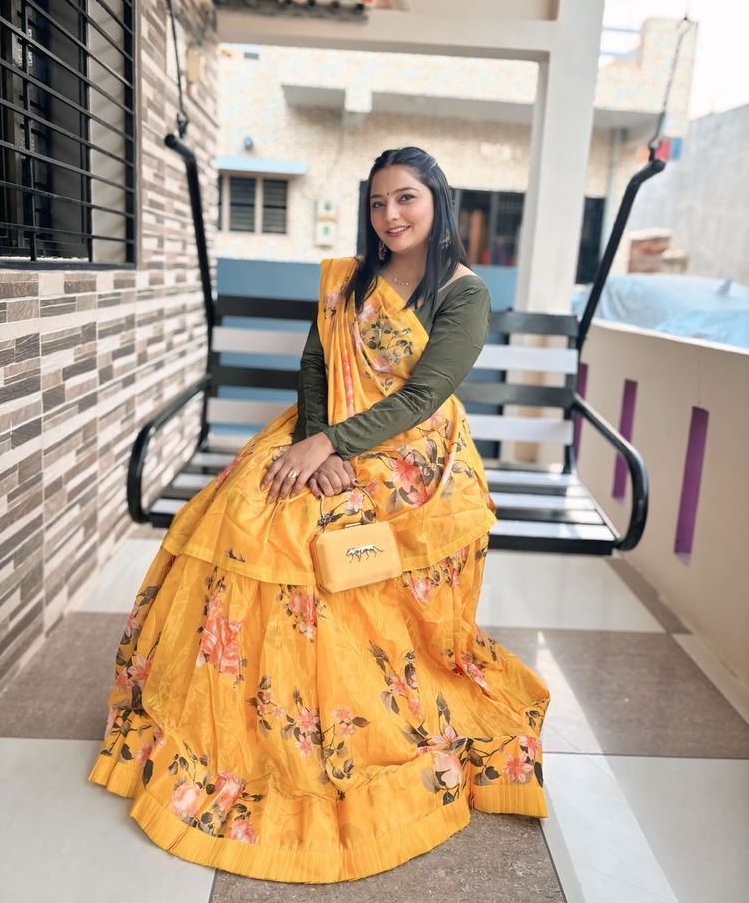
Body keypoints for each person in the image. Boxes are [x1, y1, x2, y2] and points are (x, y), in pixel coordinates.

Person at [88, 146, 551, 883]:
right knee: (247, 503)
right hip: (326, 432)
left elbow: (419, 399)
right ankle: (239, 721)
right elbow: (314, 367)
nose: (390, 214)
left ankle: (340, 714)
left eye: (405, 198)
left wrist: (336, 445)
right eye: (377, 203)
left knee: (317, 534)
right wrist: (312, 443)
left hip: (411, 453)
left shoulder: (464, 293)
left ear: (437, 202)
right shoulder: (350, 280)